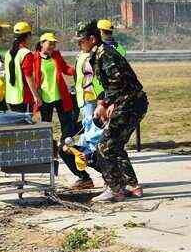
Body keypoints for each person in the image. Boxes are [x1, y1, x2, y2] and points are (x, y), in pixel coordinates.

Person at [75, 20, 148, 203]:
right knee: (114, 146)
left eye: (81, 40)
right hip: (129, 102)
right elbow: (108, 85)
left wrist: (104, 104)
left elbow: (117, 82)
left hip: (130, 104)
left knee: (104, 147)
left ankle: (115, 189)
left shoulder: (105, 54)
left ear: (92, 39)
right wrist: (103, 99)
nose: (79, 44)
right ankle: (131, 185)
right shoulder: (98, 54)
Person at [73, 37, 105, 189]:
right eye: (78, 42)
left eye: (81, 41)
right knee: (88, 131)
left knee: (93, 134)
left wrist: (100, 101)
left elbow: (97, 80)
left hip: (92, 99)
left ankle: (106, 174)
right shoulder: (83, 56)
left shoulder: (91, 58)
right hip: (85, 99)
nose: (79, 44)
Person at [32, 32, 78, 140]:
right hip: (45, 97)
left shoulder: (56, 55)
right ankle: (49, 147)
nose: (52, 46)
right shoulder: (34, 58)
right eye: (50, 43)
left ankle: (65, 146)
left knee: (66, 124)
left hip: (60, 95)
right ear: (42, 43)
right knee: (46, 125)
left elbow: (65, 68)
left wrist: (76, 70)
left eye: (54, 44)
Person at [58, 115, 104, 188]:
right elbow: (72, 130)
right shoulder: (90, 120)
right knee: (62, 150)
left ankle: (114, 179)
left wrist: (88, 155)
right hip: (87, 151)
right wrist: (65, 143)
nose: (96, 111)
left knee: (97, 157)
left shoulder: (111, 125)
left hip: (100, 153)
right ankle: (84, 179)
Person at [5, 22, 41, 113]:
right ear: (27, 36)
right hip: (23, 97)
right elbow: (28, 76)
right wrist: (36, 96)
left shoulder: (8, 53)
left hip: (11, 96)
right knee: (24, 125)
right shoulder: (26, 53)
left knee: (15, 125)